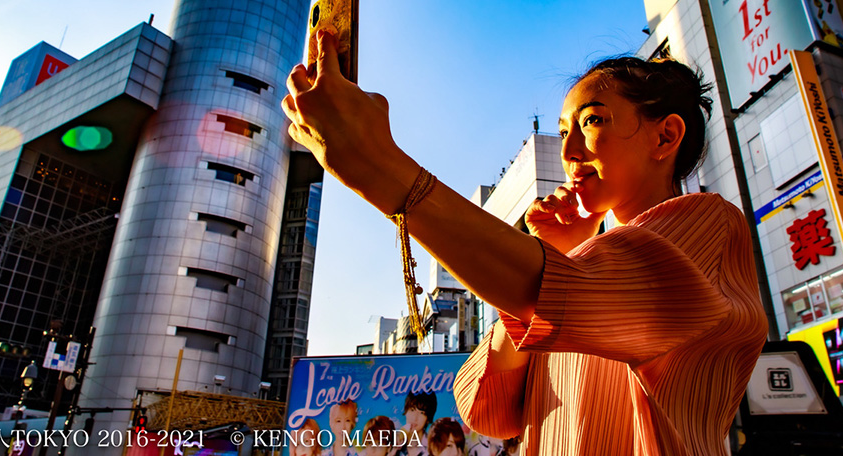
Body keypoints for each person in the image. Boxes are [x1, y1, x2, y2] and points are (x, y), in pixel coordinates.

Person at [283, 32, 768, 455]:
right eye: (563, 131)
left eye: (592, 121)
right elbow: (484, 409)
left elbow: (579, 290)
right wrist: (556, 260)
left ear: (666, 136)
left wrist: (381, 167)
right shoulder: (580, 281)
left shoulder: (709, 226)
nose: (569, 151)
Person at [396, 391, 437, 456]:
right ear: (406, 411)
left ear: (428, 419)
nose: (415, 418)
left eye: (421, 413)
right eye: (412, 410)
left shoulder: (433, 447)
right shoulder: (393, 441)